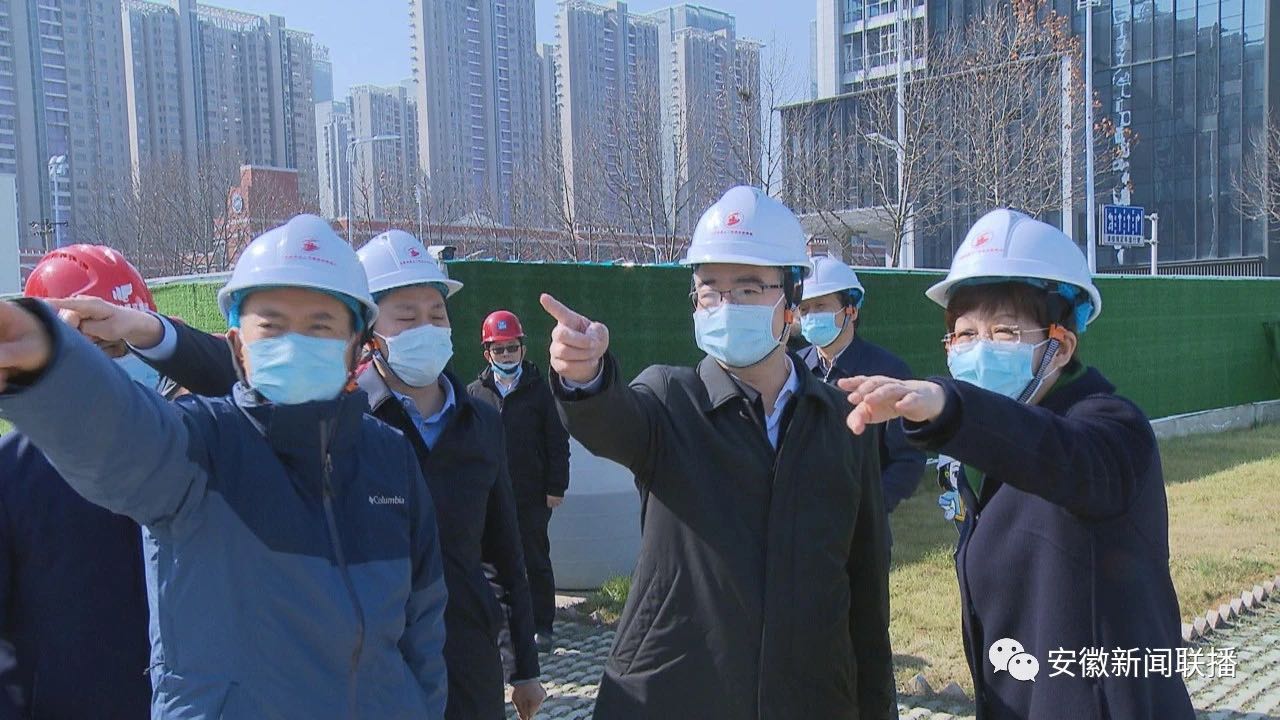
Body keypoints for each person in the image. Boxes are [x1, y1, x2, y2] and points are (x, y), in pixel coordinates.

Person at [0, 215, 449, 719]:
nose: (294, 342)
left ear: (357, 345)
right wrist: (47, 367)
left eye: (320, 326)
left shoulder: (389, 457)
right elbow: (118, 440)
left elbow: (424, 628)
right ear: (238, 345)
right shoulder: (200, 444)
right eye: (272, 326)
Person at [87, 229, 546, 720]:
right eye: (407, 316)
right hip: (355, 667)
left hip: (463, 654)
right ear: (368, 335)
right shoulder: (338, 411)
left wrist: (523, 664)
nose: (426, 329)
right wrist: (150, 333)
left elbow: (504, 548)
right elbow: (250, 372)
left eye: (437, 315)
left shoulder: (479, 420)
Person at [541, 186, 896, 719]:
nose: (727, 306)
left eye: (749, 288)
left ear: (791, 300)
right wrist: (586, 377)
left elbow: (865, 585)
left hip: (811, 697)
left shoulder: (843, 421)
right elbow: (611, 421)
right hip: (675, 695)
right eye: (710, 290)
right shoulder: (670, 399)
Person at [841, 209, 1194, 720]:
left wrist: (950, 406)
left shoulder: (1112, 429)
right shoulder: (982, 453)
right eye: (964, 334)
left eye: (1005, 332)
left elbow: (1055, 454)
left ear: (1060, 346)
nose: (978, 350)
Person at [0, 246, 170, 719]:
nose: (111, 368)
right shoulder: (11, 477)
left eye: (125, 345)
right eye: (95, 350)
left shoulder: (185, 449)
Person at [468, 310, 571, 653]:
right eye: (499, 349)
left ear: (523, 350)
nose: (506, 355)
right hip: (489, 496)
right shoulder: (475, 394)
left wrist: (556, 487)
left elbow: (557, 441)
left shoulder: (540, 391)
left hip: (531, 495)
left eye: (512, 348)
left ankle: (543, 626)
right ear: (488, 354)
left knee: (535, 560)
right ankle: (500, 626)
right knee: (492, 562)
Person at [797, 256, 927, 525]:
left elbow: (908, 458)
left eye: (820, 306)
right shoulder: (793, 368)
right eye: (805, 309)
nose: (811, 316)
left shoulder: (887, 372)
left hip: (862, 525)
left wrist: (872, 508)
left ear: (851, 310)